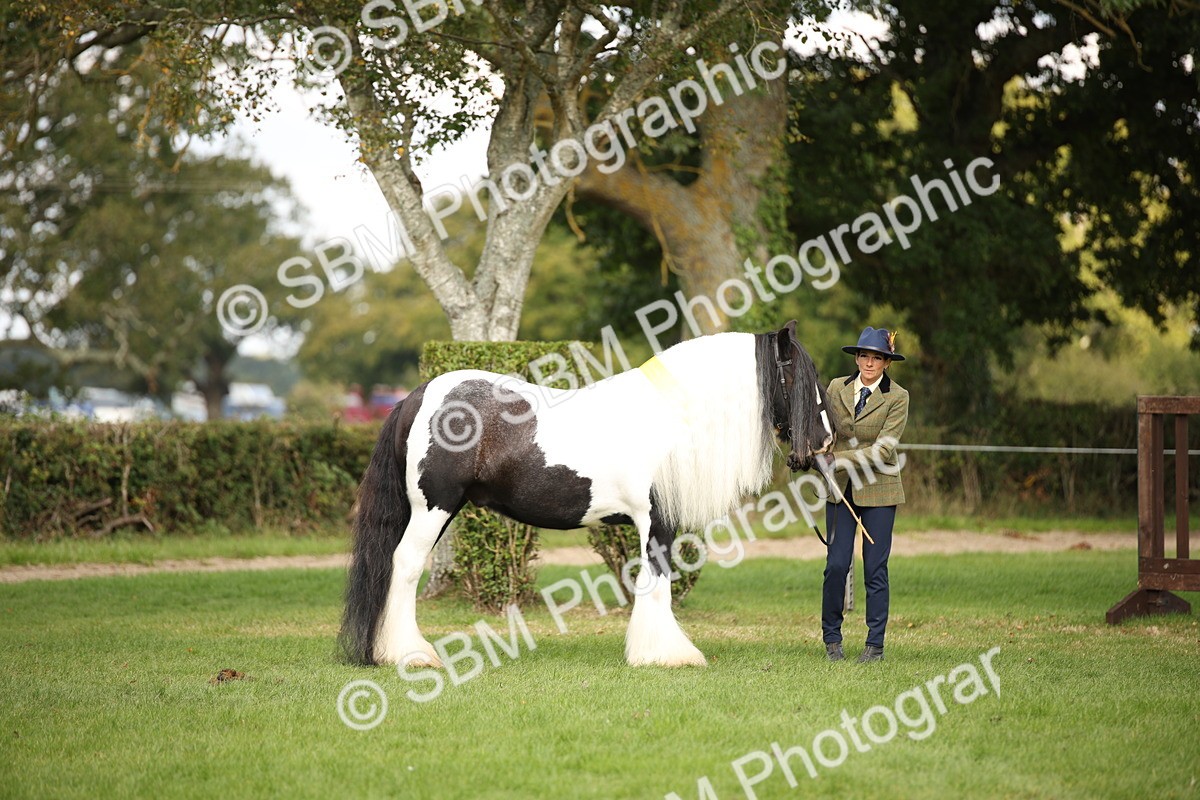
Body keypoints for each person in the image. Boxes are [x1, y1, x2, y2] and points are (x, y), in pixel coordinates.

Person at [817, 327, 909, 663]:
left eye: (877, 357)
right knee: (836, 565)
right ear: (857, 358)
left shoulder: (898, 397)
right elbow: (825, 431)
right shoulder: (835, 388)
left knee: (875, 570)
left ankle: (875, 645)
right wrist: (815, 451)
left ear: (887, 362)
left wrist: (836, 460)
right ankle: (831, 639)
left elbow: (883, 450)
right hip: (840, 493)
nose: (869, 362)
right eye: (864, 356)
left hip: (880, 493)